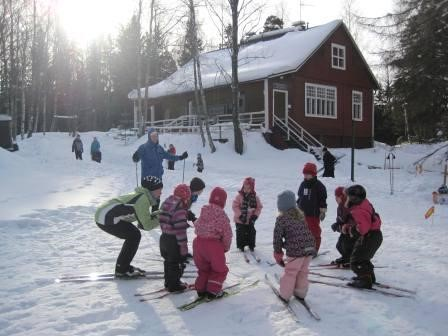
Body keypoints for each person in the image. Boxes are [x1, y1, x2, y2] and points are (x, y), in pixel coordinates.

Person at [94, 176, 163, 277]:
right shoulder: (143, 199)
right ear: (151, 191)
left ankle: (123, 266)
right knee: (134, 236)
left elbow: (142, 219)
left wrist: (158, 213)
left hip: (104, 214)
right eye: (159, 190)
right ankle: (121, 269)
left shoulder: (142, 196)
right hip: (106, 216)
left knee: (133, 234)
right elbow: (146, 225)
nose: (161, 193)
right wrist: (161, 217)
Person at [273, 190, 315, 302]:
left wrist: (277, 253)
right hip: (310, 247)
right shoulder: (300, 215)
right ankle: (300, 293)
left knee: (291, 272)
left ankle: (285, 295)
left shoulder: (281, 219)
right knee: (303, 271)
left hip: (296, 251)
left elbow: (277, 237)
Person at [193, 187, 232, 299]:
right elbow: (227, 234)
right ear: (223, 202)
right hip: (213, 246)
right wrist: (225, 247)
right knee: (219, 270)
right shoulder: (222, 216)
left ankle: (200, 288)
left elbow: (197, 225)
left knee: (204, 269)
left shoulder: (204, 210)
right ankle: (212, 291)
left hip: (198, 243)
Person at [344, 185, 383, 289]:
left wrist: (352, 230)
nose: (347, 199)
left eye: (348, 197)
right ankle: (368, 276)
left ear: (354, 199)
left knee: (356, 260)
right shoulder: (364, 204)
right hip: (374, 235)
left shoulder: (359, 210)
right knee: (363, 258)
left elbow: (363, 228)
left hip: (370, 236)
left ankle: (365, 281)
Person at [159, 184, 192, 292]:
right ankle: (174, 285)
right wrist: (184, 249)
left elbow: (162, 218)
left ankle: (168, 282)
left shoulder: (167, 203)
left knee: (168, 261)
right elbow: (181, 231)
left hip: (164, 237)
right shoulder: (180, 210)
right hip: (174, 241)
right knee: (177, 263)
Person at [297, 162, 327, 253]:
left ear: (313, 174)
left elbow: (323, 200)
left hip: (313, 214)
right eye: (304, 174)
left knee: (314, 232)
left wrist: (322, 211)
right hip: (303, 213)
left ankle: (314, 249)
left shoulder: (319, 186)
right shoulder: (303, 184)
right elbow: (300, 196)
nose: (305, 176)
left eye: (308, 174)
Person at [232, 177, 263, 252]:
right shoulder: (239, 197)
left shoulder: (255, 198)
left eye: (248, 188)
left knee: (252, 232)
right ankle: (241, 246)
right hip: (240, 219)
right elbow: (234, 206)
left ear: (252, 189)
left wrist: (255, 216)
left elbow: (259, 207)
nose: (246, 190)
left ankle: (251, 245)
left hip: (250, 220)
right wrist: (240, 215)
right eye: (244, 187)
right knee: (241, 232)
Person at [330, 187, 357, 267]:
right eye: (335, 197)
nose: (336, 199)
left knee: (347, 245)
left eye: (337, 197)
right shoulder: (340, 207)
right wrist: (337, 224)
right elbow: (341, 219)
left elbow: (352, 221)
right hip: (344, 231)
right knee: (339, 246)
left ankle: (351, 259)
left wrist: (343, 227)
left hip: (352, 232)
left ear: (343, 197)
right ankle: (346, 257)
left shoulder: (349, 206)